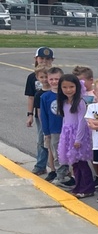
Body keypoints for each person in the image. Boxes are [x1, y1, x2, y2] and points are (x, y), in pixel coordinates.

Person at [57, 72, 96, 198]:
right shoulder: (64, 102)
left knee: (81, 163)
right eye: (65, 87)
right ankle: (78, 186)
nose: (68, 90)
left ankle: (87, 188)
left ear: (77, 87)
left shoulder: (80, 102)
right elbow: (65, 120)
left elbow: (81, 121)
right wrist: (64, 136)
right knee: (74, 163)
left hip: (78, 135)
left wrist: (78, 139)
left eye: (71, 87)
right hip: (68, 134)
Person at [25, 46, 54, 175]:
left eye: (48, 59)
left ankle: (58, 167)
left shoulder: (55, 75)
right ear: (36, 59)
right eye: (41, 58)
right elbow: (31, 97)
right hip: (39, 114)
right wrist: (30, 115)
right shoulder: (32, 77)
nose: (44, 61)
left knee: (55, 141)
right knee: (41, 139)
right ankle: (41, 165)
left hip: (54, 114)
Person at [40, 67, 66, 184]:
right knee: (57, 154)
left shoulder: (66, 94)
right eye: (52, 79)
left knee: (68, 153)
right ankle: (60, 175)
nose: (54, 81)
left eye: (57, 79)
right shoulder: (45, 97)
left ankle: (69, 175)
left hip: (67, 129)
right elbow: (43, 116)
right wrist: (46, 132)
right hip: (53, 130)